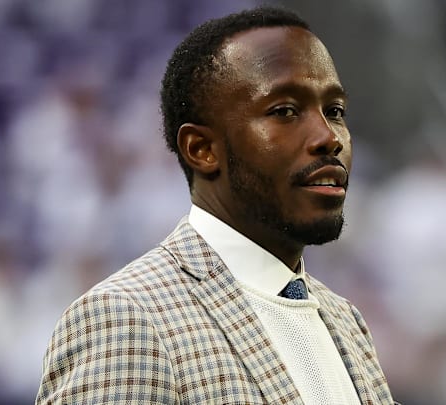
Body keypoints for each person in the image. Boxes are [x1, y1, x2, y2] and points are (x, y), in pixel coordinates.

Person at [36, 6, 396, 404]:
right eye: (285, 111)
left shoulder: (346, 322)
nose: (329, 137)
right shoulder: (128, 320)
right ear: (202, 149)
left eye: (335, 111)